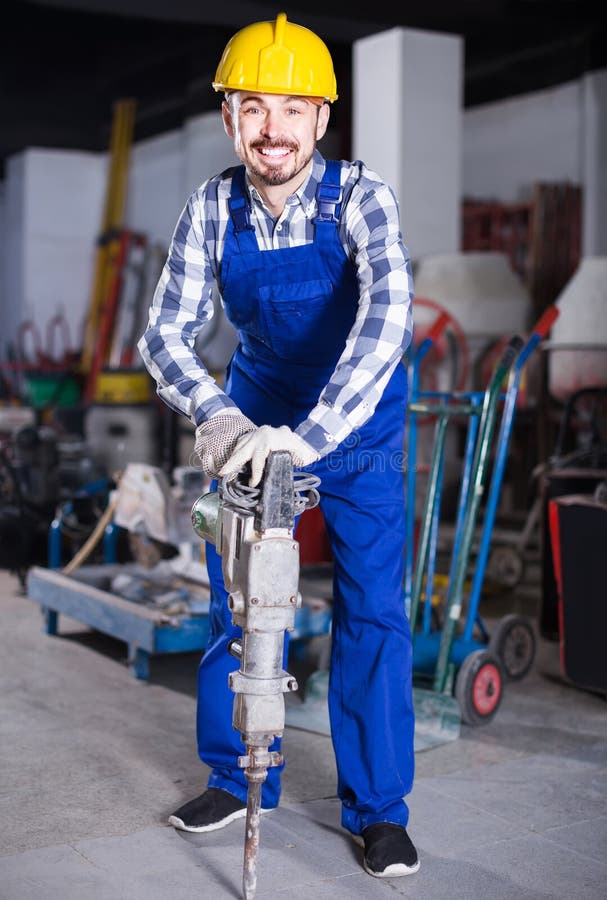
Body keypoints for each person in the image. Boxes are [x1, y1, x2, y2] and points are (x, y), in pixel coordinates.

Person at [138, 11, 419, 879]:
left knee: (370, 609)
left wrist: (309, 441)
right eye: (253, 107)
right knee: (241, 594)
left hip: (359, 421)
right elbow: (163, 336)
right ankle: (235, 776)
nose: (272, 129)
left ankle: (377, 810)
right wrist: (219, 418)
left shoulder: (362, 197)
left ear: (321, 120)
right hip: (255, 408)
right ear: (229, 118)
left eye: (293, 109)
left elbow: (387, 322)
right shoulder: (212, 209)